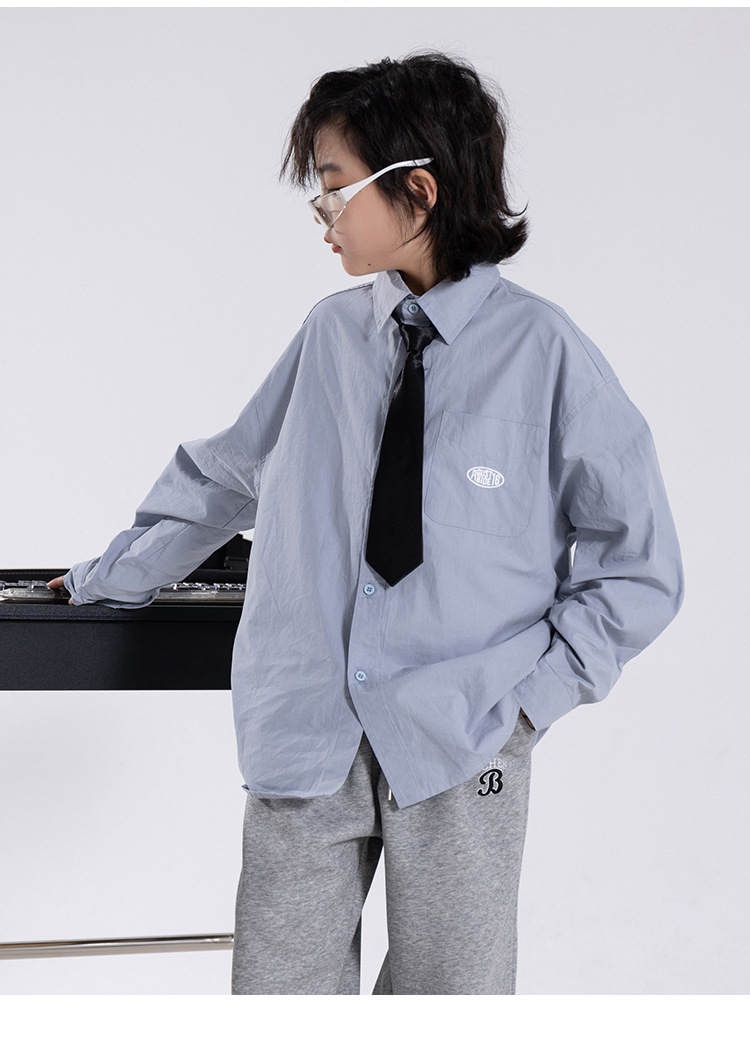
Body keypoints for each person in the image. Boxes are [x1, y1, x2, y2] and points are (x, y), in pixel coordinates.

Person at [49, 52, 684, 995]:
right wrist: (108, 575)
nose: (323, 213)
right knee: (280, 995)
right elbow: (225, 473)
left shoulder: (545, 352)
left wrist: (526, 703)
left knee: (452, 998)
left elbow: (639, 565)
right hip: (307, 728)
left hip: (463, 734)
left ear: (417, 189)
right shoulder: (329, 337)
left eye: (336, 187)